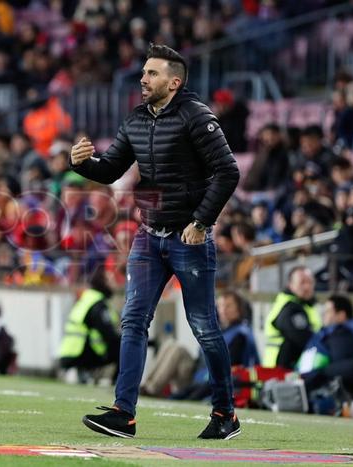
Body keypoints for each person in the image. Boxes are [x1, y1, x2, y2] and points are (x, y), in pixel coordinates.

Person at [71, 43, 241, 439]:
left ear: (174, 81)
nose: (143, 79)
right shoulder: (136, 119)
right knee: (132, 320)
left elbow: (228, 172)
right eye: (143, 73)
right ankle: (123, 414)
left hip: (189, 238)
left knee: (204, 327)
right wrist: (81, 164)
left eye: (151, 73)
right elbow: (111, 169)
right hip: (149, 235)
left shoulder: (197, 116)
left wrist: (201, 221)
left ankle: (225, 414)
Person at [298, 295, 353, 398]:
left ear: (341, 315)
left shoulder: (342, 335)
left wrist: (318, 374)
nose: (324, 314)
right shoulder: (340, 332)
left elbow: (347, 368)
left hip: (328, 390)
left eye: (328, 311)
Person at [59, 266, 120, 382]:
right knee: (124, 347)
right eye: (111, 280)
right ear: (103, 282)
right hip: (80, 354)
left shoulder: (88, 298)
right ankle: (115, 382)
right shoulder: (98, 304)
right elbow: (109, 335)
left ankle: (84, 372)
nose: (115, 284)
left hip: (69, 352)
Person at [263, 266, 321, 370]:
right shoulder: (291, 308)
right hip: (280, 371)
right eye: (302, 282)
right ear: (290, 285)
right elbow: (304, 339)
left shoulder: (303, 305)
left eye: (310, 282)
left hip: (281, 369)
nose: (307, 287)